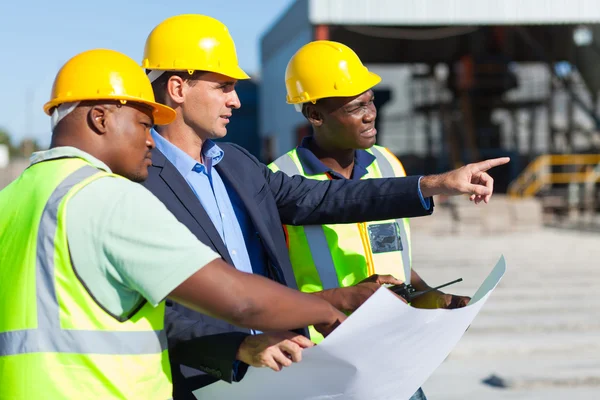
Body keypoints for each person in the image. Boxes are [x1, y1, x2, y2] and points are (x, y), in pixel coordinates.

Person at [140, 14, 509, 400]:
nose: (236, 100)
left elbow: (325, 198)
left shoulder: (236, 164)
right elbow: (152, 306)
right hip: (211, 380)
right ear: (179, 88)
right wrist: (238, 347)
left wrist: (438, 185)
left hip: (291, 366)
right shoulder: (138, 181)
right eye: (224, 87)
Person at [0, 48, 349, 400]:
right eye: (144, 125)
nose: (151, 140)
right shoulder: (107, 197)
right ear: (100, 119)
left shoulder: (11, 199)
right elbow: (239, 301)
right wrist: (326, 307)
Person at [270, 40, 474, 400]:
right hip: (329, 362)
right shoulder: (281, 180)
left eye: (370, 101)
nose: (370, 114)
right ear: (315, 115)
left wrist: (432, 299)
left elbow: (395, 256)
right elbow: (268, 289)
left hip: (396, 353)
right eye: (355, 107)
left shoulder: (387, 165)